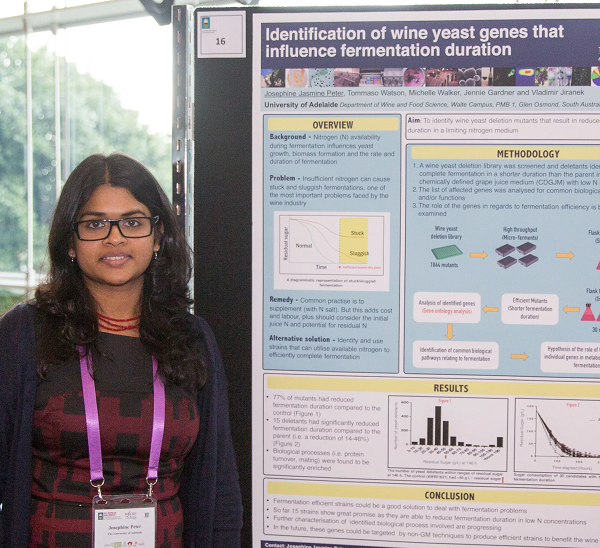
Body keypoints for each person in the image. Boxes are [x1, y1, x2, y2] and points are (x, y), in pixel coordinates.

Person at [0, 153, 242, 547]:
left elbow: (221, 489)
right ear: (70, 242)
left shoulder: (192, 338)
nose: (115, 238)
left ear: (157, 236)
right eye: (95, 224)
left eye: (132, 222)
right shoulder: (24, 334)